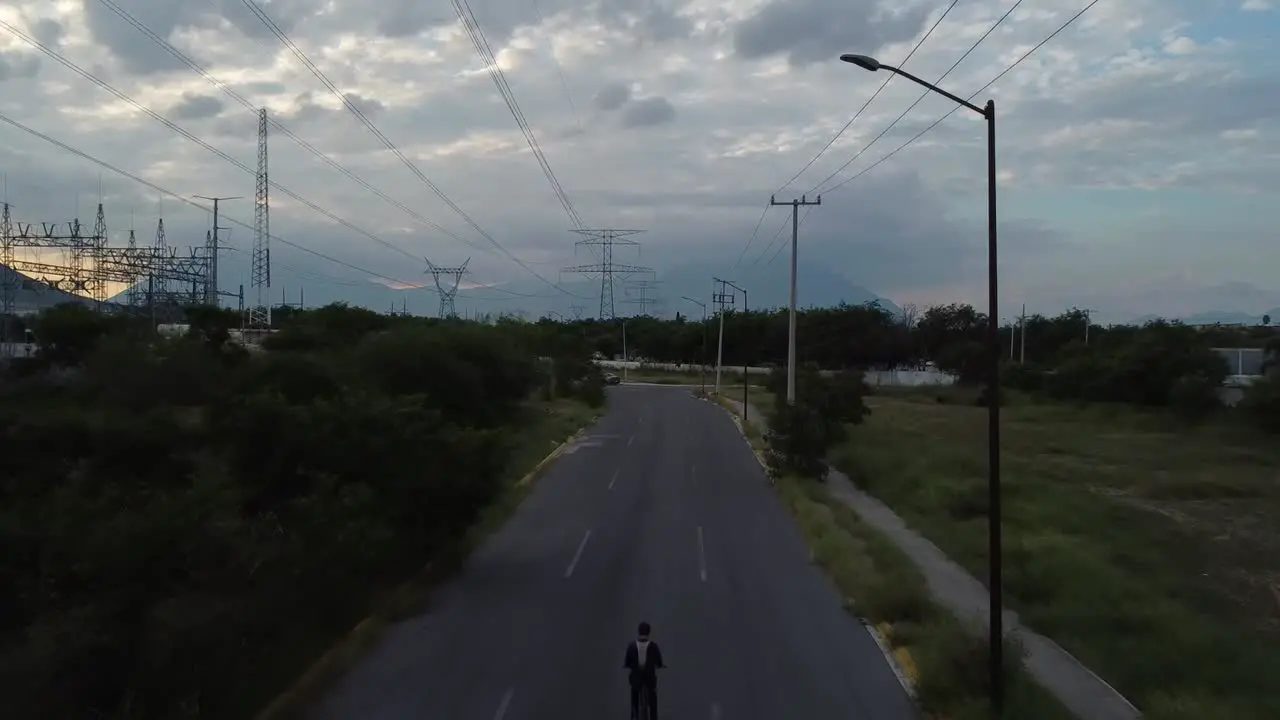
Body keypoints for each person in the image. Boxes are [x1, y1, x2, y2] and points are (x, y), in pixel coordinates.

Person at [623, 621, 665, 720]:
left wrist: (627, 665)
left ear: (639, 632)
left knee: (634, 695)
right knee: (652, 697)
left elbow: (627, 661)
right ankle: (653, 716)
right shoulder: (653, 646)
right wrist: (660, 665)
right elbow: (659, 661)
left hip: (636, 678)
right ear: (649, 632)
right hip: (649, 678)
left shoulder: (632, 646)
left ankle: (634, 714)